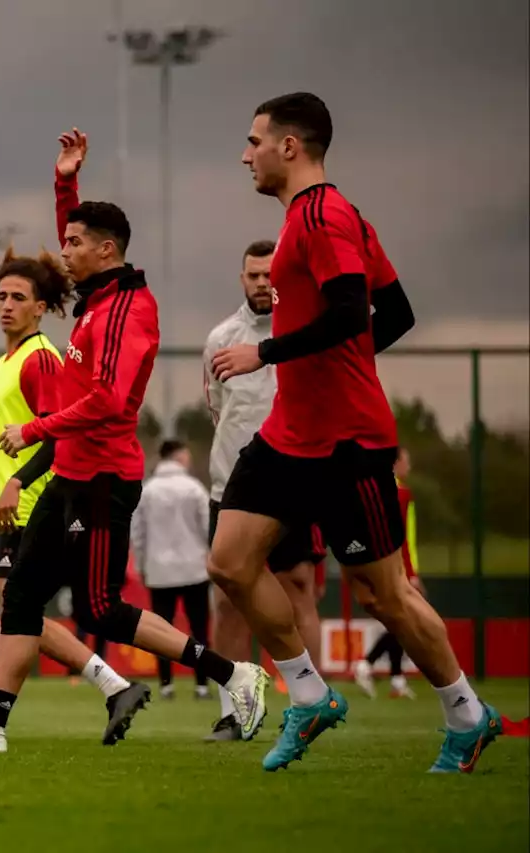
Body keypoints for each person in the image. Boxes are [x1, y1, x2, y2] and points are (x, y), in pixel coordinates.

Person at [0, 128, 266, 754]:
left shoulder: (128, 310)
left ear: (106, 251)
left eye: (76, 243)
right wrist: (65, 183)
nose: (65, 250)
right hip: (71, 476)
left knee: (101, 609)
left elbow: (108, 401)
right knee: (23, 595)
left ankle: (234, 673)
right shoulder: (97, 293)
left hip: (106, 478)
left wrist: (31, 433)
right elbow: (76, 233)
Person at [210, 92, 500, 773]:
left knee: (384, 594)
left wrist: (270, 354)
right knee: (228, 561)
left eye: (254, 141)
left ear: (291, 146)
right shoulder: (312, 219)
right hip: (290, 434)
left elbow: (353, 311)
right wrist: (330, 367)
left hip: (347, 443)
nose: (244, 154)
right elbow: (390, 313)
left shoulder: (326, 215)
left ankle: (468, 713)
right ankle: (309, 695)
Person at [0, 245, 148, 750]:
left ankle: (112, 686)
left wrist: (18, 481)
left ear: (40, 306)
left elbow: (54, 436)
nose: (6, 304)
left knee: (17, 612)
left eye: (18, 296)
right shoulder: (8, 360)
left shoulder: (41, 361)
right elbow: (10, 435)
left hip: (29, 507)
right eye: (1, 295)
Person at [201, 239, 328, 741]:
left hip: (297, 481)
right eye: (253, 274)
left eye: (268, 274)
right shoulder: (221, 338)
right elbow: (217, 410)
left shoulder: (303, 333)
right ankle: (236, 712)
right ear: (242, 279)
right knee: (229, 601)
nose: (261, 282)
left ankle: (311, 703)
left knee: (299, 587)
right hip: (231, 486)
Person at [131, 440, 212, 701]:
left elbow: (138, 534)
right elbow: (207, 528)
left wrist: (142, 565)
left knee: (161, 631)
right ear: (179, 457)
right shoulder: (194, 488)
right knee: (200, 628)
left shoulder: (148, 491)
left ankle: (166, 684)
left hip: (160, 571)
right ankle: (202, 684)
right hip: (195, 569)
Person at [355, 446, 424, 699]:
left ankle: (396, 678)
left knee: (397, 621)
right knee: (400, 621)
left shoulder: (374, 491)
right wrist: (412, 573)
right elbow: (405, 538)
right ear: (395, 464)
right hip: (397, 568)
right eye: (406, 461)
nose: (409, 467)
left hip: (375, 565)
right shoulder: (401, 494)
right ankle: (367, 664)